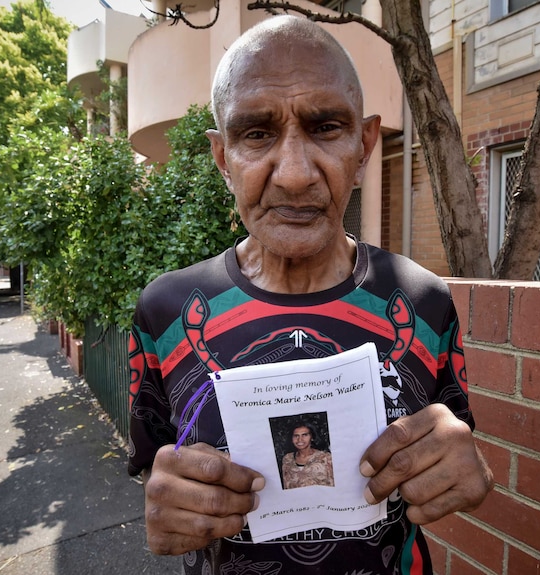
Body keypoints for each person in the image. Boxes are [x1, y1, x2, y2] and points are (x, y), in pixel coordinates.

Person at [127, 15, 492, 574]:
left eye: (325, 128)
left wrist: (469, 469)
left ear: (365, 144)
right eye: (256, 133)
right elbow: (155, 469)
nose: (295, 175)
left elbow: (454, 443)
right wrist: (161, 504)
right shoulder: (164, 314)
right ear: (222, 156)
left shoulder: (425, 304)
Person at [281, 422, 334, 489]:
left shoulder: (325, 457)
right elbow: (286, 485)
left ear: (312, 437)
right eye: (296, 436)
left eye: (304, 435)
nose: (300, 439)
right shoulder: (287, 458)